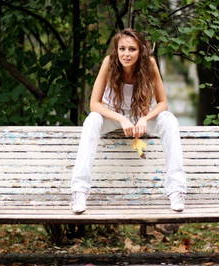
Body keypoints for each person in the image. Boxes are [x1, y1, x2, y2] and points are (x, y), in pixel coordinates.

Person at [70, 28, 187, 214]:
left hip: (141, 118)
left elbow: (163, 102)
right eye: (122, 48)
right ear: (116, 50)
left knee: (169, 120)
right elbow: (94, 104)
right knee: (92, 120)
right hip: (115, 117)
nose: (126, 54)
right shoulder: (109, 63)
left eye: (132, 49)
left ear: (140, 50)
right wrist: (121, 118)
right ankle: (79, 191)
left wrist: (145, 118)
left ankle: (176, 189)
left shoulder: (149, 64)